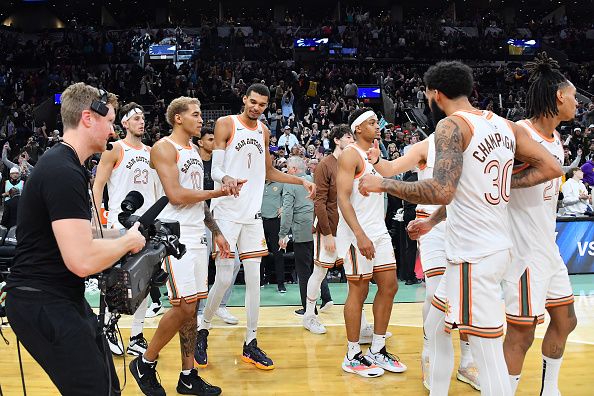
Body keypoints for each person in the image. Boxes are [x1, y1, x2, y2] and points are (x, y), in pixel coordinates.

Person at [359, 61, 562, 396]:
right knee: (435, 327)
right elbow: (551, 166)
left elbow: (441, 190)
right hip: (489, 247)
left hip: (474, 254)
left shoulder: (451, 127)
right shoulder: (503, 124)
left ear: (435, 94)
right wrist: (499, 187)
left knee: (488, 354)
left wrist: (383, 184)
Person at [4, 82, 146, 395]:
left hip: (59, 295)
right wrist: (128, 242)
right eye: (109, 122)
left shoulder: (67, 165)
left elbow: (84, 233)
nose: (112, 131)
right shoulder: (62, 170)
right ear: (87, 118)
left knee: (108, 386)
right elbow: (81, 260)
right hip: (40, 300)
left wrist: (124, 233)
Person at [196, 83, 315, 371]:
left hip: (252, 215)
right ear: (244, 99)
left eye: (262, 104)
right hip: (225, 213)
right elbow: (215, 170)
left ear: (266, 106)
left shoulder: (263, 131)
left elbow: (269, 171)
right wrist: (226, 179)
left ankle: (251, 342)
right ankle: (203, 328)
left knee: (254, 280)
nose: (256, 107)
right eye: (253, 102)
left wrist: (301, 180)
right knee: (224, 279)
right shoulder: (227, 124)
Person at [129, 97, 230, 396]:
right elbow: (175, 195)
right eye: (196, 115)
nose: (201, 120)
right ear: (178, 119)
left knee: (192, 309)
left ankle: (188, 375)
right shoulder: (164, 147)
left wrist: (217, 232)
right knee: (183, 306)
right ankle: (145, 362)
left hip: (198, 234)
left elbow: (199, 202)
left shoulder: (195, 152)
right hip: (174, 237)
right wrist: (219, 191)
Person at [366, 135, 479, 391]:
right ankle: (430, 351)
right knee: (434, 293)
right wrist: (378, 160)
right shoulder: (426, 146)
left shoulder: (469, 142)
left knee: (466, 296)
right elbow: (391, 168)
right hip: (431, 225)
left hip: (463, 222)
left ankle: (468, 361)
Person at [501, 53, 578, 396]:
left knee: (566, 320)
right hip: (523, 251)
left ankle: (549, 389)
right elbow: (498, 179)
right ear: (559, 97)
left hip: (548, 246)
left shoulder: (556, 140)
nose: (577, 103)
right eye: (574, 96)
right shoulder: (520, 132)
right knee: (521, 333)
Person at [337, 108, 406, 378]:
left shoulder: (375, 156)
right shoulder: (350, 154)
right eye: (371, 122)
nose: (377, 126)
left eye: (377, 122)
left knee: (389, 286)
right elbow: (342, 199)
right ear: (357, 129)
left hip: (379, 230)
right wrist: (360, 235)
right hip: (357, 234)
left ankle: (377, 348)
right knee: (359, 291)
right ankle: (352, 354)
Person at [92, 102, 155, 357]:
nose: (141, 122)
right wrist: (95, 222)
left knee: (147, 283)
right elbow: (98, 186)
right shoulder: (115, 149)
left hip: (148, 226)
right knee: (118, 282)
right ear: (125, 123)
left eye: (143, 118)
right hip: (121, 226)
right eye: (136, 118)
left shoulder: (153, 152)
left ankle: (136, 336)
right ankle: (108, 327)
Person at [303, 124, 353, 334]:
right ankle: (309, 315)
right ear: (336, 140)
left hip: (349, 227)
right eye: (348, 137)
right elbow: (319, 202)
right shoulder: (325, 165)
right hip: (329, 227)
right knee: (320, 271)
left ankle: (359, 321)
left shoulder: (353, 164)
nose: (352, 141)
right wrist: (328, 233)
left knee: (355, 275)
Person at [196, 126, 240, 325]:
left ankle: (220, 305)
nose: (215, 143)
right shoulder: (194, 162)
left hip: (220, 218)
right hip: (197, 218)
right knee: (201, 266)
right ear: (200, 142)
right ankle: (200, 310)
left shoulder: (220, 164)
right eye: (210, 139)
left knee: (234, 263)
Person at [278, 156, 315, 315]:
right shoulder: (312, 179)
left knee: (304, 272)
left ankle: (308, 308)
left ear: (293, 169)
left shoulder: (290, 184)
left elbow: (287, 211)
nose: (286, 171)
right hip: (316, 228)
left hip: (301, 230)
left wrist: (283, 234)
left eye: (287, 168)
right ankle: (326, 298)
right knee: (316, 268)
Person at [261, 177, 286, 292]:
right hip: (259, 221)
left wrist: (284, 207)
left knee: (278, 253)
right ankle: (260, 280)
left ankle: (281, 284)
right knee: (260, 253)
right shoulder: (258, 182)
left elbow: (288, 196)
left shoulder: (280, 182)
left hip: (275, 221)